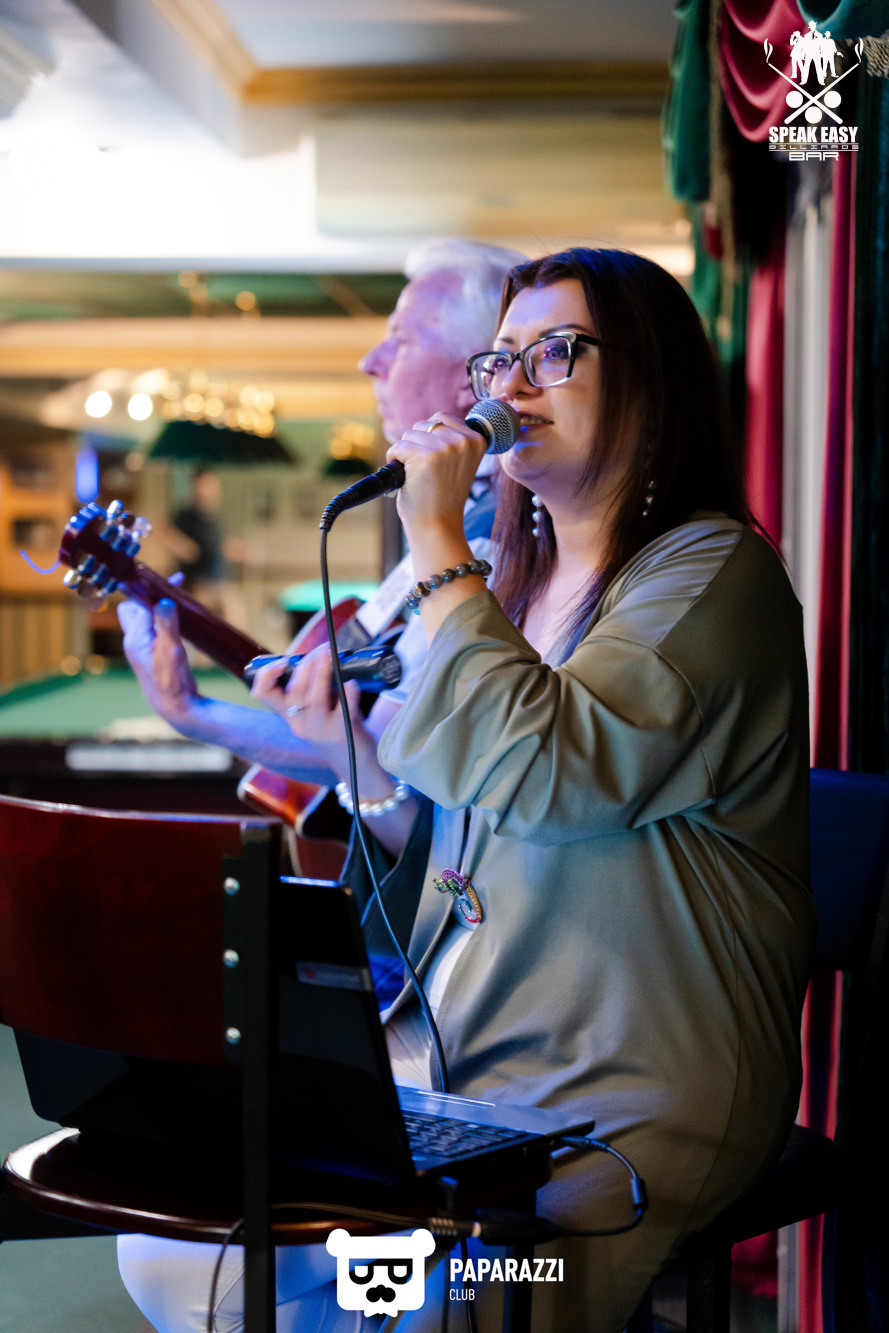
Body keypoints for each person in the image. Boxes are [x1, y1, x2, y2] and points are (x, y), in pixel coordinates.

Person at [119, 247, 815, 1331]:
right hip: (464, 1052)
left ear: (650, 382)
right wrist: (352, 754)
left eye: (554, 353)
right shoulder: (514, 587)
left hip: (628, 1080)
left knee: (455, 1306)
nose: (512, 387)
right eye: (499, 360)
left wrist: (438, 542)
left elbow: (550, 776)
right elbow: (463, 831)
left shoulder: (710, 573)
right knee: (180, 1247)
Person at [118, 239, 524, 786]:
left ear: (471, 378)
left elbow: (384, 754)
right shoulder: (464, 508)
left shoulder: (489, 533)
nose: (369, 361)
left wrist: (189, 711)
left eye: (401, 340)